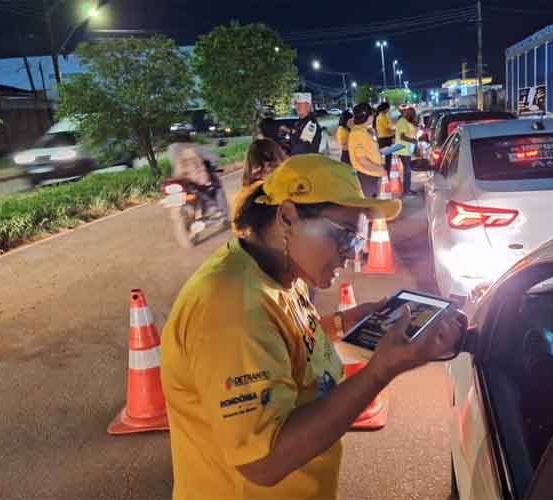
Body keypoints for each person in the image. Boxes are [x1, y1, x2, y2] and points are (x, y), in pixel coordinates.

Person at [160, 154, 466, 500]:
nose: (351, 254)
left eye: (357, 239)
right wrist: (380, 372)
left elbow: (278, 340)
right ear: (287, 217)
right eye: (344, 236)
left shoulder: (277, 274)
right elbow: (265, 462)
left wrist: (342, 323)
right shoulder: (229, 308)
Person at [168, 142, 229, 217]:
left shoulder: (173, 148)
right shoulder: (194, 148)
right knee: (214, 188)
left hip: (191, 180)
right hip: (193, 180)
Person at [348, 103, 387, 198]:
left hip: (371, 173)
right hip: (366, 176)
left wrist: (380, 151)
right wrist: (380, 169)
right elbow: (362, 160)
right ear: (368, 117)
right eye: (372, 115)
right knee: (370, 204)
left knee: (374, 201)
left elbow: (369, 150)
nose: (373, 117)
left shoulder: (364, 131)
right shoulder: (357, 133)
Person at [394, 107, 417, 196]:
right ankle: (406, 190)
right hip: (403, 150)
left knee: (407, 170)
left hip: (407, 149)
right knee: (407, 171)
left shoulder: (406, 121)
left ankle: (407, 189)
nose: (413, 117)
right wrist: (413, 141)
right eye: (413, 115)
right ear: (409, 114)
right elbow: (402, 136)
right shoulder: (402, 122)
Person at [374, 102, 394, 174]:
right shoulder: (382, 117)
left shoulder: (382, 116)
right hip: (385, 140)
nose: (389, 110)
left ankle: (385, 173)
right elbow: (388, 127)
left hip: (384, 139)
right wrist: (395, 129)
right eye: (388, 108)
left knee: (385, 158)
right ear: (386, 108)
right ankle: (386, 173)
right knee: (387, 158)